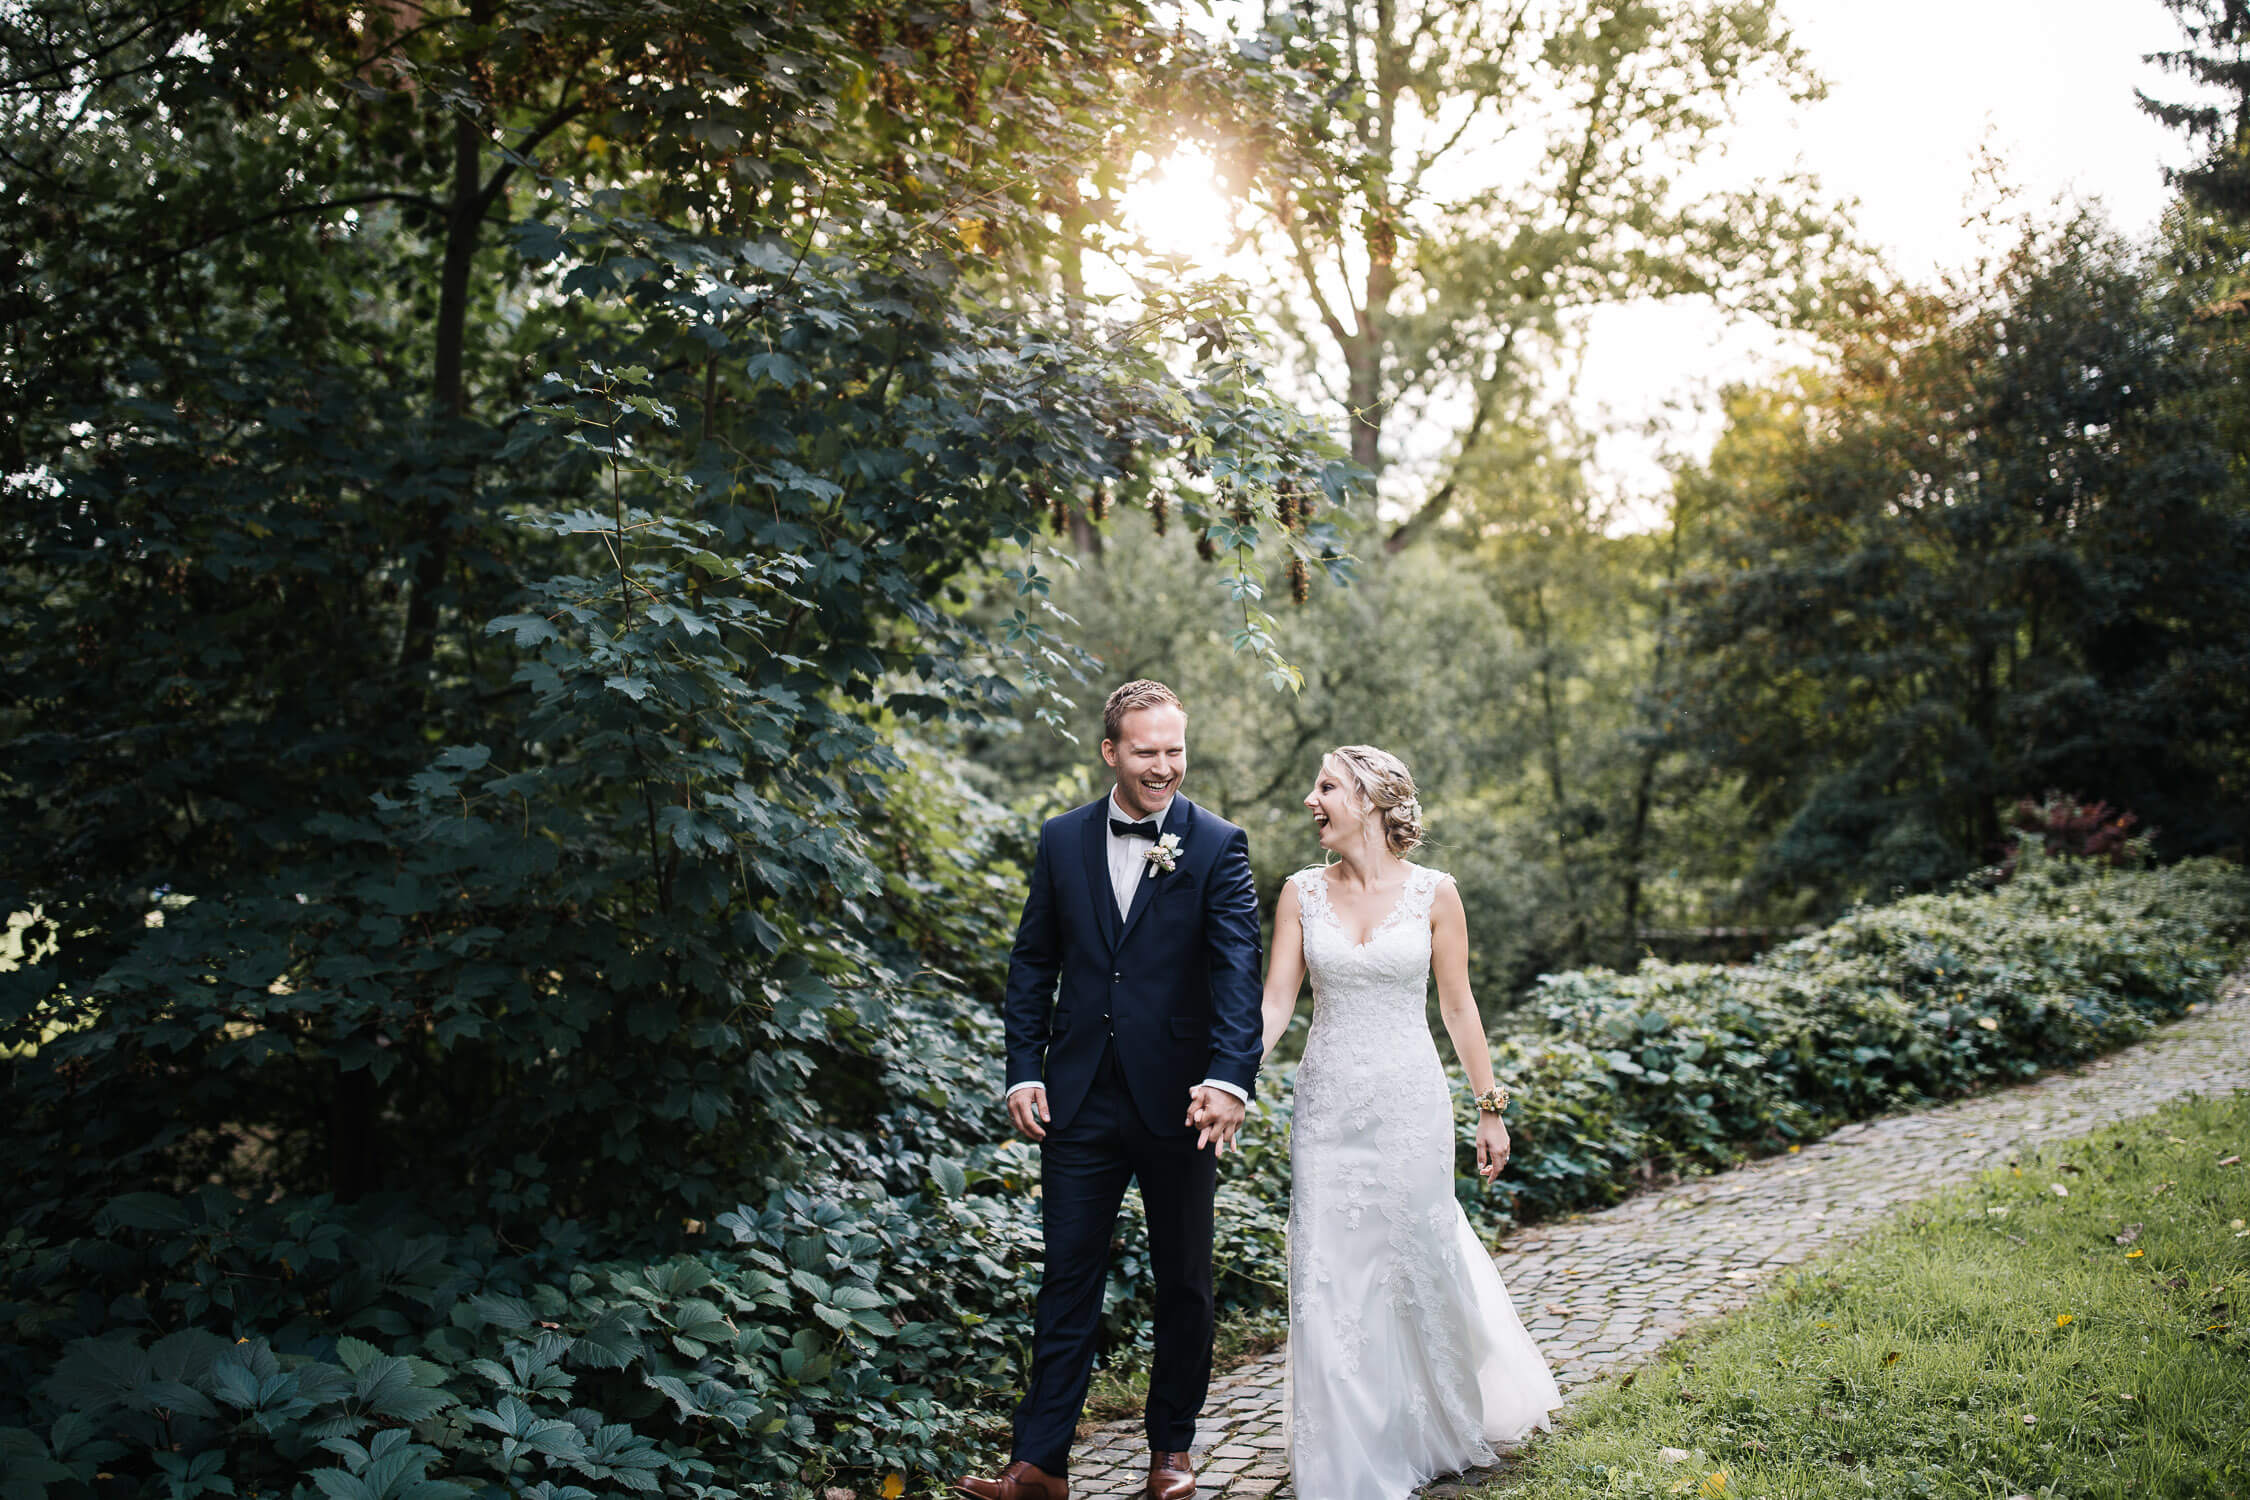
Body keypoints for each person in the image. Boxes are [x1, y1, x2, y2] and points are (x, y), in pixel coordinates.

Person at [956, 680, 1264, 1500]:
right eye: (1146, 751)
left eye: (1175, 750)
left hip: (1181, 1098)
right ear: (1110, 752)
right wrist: (1024, 1065)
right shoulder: (1061, 840)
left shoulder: (1218, 844)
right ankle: (1040, 1464)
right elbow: (1034, 962)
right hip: (1078, 1093)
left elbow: (1239, 973)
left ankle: (1171, 1451)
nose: (1164, 767)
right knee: (1066, 1277)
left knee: (1186, 1281)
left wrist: (1231, 1077)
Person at [1250, 745, 1560, 1500]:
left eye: (1326, 787)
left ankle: (1432, 1421)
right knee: (1329, 1270)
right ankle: (1347, 1449)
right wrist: (1232, 1074)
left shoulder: (1435, 894)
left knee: (1414, 1256)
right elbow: (1274, 1005)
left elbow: (1458, 1006)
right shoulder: (1299, 893)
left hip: (1410, 1103)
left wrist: (1490, 1109)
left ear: (1372, 799)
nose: (1310, 800)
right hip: (1326, 1108)